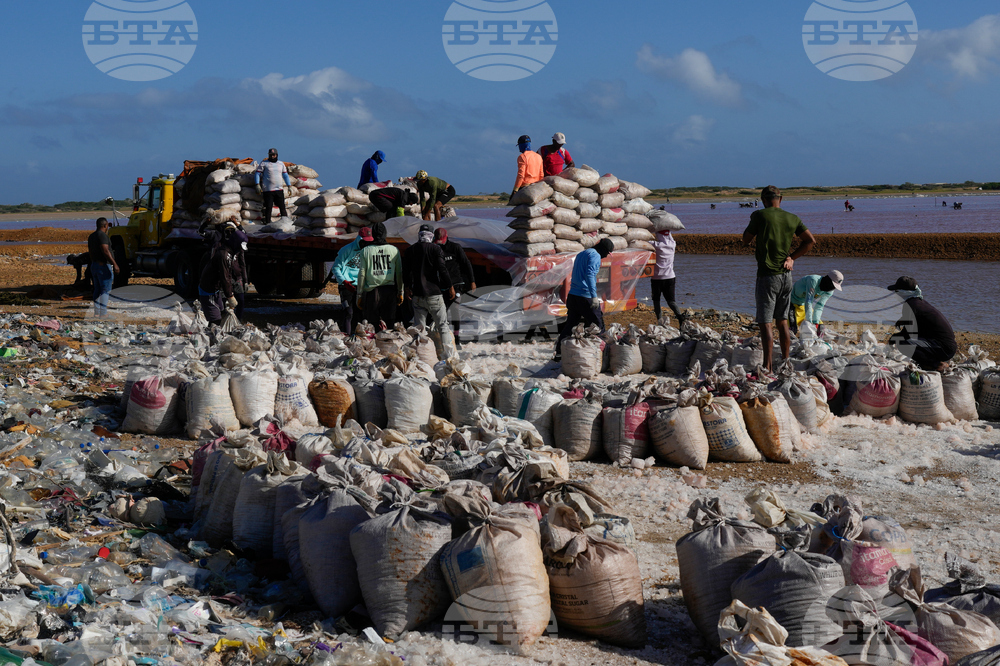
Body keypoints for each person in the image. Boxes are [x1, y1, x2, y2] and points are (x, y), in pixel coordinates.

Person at [742, 185, 817, 371]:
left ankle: (767, 367)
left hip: (768, 276)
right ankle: (785, 362)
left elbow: (746, 239)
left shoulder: (759, 215)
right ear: (780, 199)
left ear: (763, 200)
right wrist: (792, 257)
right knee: (782, 321)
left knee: (765, 323)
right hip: (786, 276)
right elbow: (810, 241)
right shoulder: (793, 218)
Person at [554, 238, 615, 358]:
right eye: (607, 253)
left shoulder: (582, 253)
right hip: (585, 297)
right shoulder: (595, 256)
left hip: (573, 295)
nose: (606, 256)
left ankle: (559, 352)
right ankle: (602, 355)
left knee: (571, 325)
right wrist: (593, 296)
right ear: (603, 249)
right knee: (598, 325)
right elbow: (590, 275)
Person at [404, 225, 457, 359]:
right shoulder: (435, 249)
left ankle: (422, 358)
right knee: (442, 326)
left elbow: (406, 271)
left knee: (419, 329)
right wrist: (450, 286)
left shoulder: (411, 250)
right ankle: (448, 357)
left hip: (417, 295)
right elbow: (442, 269)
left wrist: (407, 288)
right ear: (431, 236)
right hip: (434, 294)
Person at [887, 276, 957, 372]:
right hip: (946, 346)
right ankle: (931, 361)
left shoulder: (910, 306)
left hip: (943, 348)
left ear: (903, 292)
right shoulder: (918, 303)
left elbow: (908, 334)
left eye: (896, 291)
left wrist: (893, 338)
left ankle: (936, 364)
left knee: (902, 343)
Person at [198, 221, 248, 325]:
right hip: (209, 289)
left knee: (221, 315)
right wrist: (230, 296)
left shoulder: (230, 252)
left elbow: (228, 275)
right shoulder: (224, 255)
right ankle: (211, 334)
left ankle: (215, 332)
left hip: (216, 288)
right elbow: (225, 277)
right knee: (215, 319)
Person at [356, 222, 402, 329]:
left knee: (373, 325)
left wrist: (359, 294)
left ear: (373, 234)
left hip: (372, 293)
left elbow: (362, 274)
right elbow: (399, 273)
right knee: (390, 325)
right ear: (385, 234)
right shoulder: (394, 250)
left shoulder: (365, 251)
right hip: (389, 291)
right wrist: (401, 292)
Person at [332, 227, 372, 334]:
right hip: (347, 285)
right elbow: (335, 268)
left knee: (361, 314)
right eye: (365, 242)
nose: (366, 244)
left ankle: (359, 337)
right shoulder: (346, 250)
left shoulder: (369, 251)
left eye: (369, 242)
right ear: (359, 239)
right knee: (348, 313)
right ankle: (347, 336)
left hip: (361, 285)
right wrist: (344, 281)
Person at [790, 271, 843, 335]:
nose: (832, 288)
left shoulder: (829, 292)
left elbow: (820, 306)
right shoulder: (813, 280)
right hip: (791, 303)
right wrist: (809, 322)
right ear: (827, 279)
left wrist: (816, 322)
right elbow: (809, 301)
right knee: (792, 329)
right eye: (832, 285)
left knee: (821, 327)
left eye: (834, 287)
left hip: (803, 307)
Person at [650, 227, 685, 325]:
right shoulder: (673, 244)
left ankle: (660, 321)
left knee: (656, 301)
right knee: (671, 301)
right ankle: (680, 318)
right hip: (670, 277)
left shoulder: (657, 245)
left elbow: (644, 242)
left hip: (657, 278)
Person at [88, 218, 120, 317]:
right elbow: (105, 250)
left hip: (94, 265)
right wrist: (115, 264)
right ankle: (103, 313)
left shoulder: (92, 236)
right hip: (103, 266)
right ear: (105, 225)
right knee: (105, 290)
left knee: (97, 289)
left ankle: (97, 312)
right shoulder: (102, 235)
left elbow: (90, 251)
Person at [255, 148, 292, 226]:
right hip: (268, 190)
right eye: (271, 155)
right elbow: (257, 173)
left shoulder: (281, 164)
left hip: (279, 189)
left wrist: (289, 186)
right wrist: (257, 184)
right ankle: (268, 223)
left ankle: (285, 222)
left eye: (274, 155)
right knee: (268, 207)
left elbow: (285, 175)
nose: (272, 156)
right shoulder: (264, 163)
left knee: (282, 207)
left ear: (276, 155)